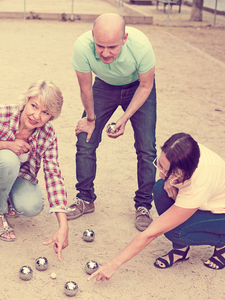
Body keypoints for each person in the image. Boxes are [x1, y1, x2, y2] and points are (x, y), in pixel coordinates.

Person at [88, 133, 225, 282]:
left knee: (175, 231)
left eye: (168, 172)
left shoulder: (198, 184)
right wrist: (169, 178)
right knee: (160, 188)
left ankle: (224, 242)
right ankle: (181, 250)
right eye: (160, 165)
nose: (160, 173)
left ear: (185, 172)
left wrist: (114, 264)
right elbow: (167, 176)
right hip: (206, 198)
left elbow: (151, 233)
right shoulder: (184, 151)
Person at [0, 80, 69, 261]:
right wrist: (5, 145)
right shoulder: (0, 114)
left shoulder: (48, 135)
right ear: (26, 101)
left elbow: (53, 175)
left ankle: (8, 195)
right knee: (8, 158)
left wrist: (63, 225)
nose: (36, 116)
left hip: (16, 173)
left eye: (45, 113)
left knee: (32, 207)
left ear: (51, 117)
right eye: (34, 106)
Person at [68, 13, 157, 231]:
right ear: (92, 36)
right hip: (104, 86)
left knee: (146, 147)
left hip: (137, 87)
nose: (105, 53)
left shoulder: (141, 46)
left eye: (112, 47)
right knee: (85, 140)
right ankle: (85, 198)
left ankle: (144, 205)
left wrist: (124, 118)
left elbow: (146, 86)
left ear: (124, 39)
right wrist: (90, 119)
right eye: (100, 46)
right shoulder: (82, 47)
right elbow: (85, 88)